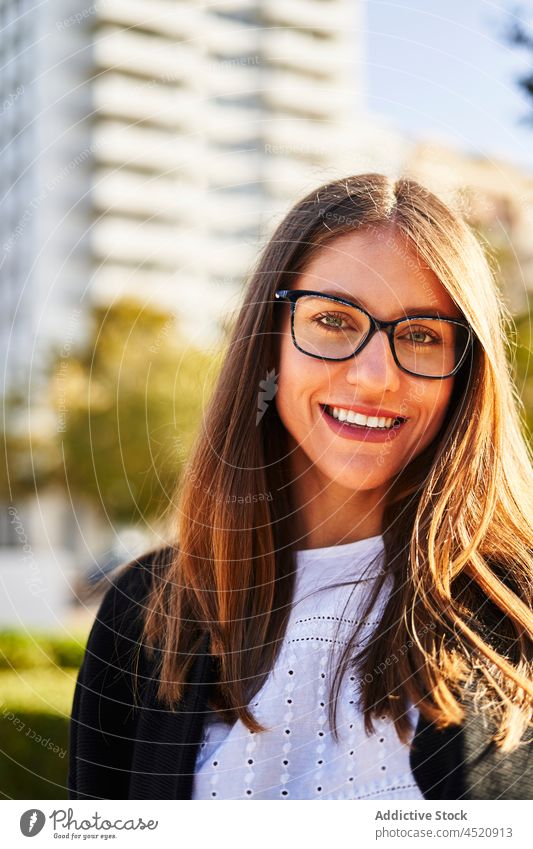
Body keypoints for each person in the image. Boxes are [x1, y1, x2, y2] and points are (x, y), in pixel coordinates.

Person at [68, 172, 533, 801]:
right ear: (270, 345)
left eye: (422, 335)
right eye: (334, 320)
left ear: (465, 375)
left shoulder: (518, 607)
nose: (375, 378)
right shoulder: (143, 616)